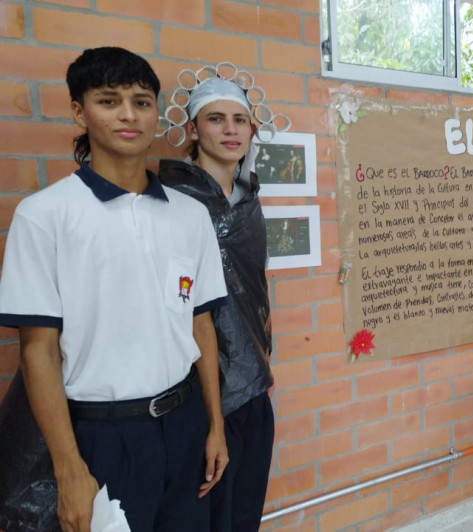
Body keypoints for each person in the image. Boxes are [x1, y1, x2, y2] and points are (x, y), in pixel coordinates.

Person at [0, 47, 229, 531]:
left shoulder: (190, 215)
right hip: (102, 436)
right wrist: (69, 470)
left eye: (142, 102)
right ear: (80, 112)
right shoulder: (45, 217)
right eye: (109, 101)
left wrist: (215, 425)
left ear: (156, 114)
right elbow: (38, 352)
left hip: (185, 421)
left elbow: (201, 324)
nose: (129, 114)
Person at [158, 69, 275, 532]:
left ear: (252, 130)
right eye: (215, 119)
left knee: (244, 513)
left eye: (239, 120)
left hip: (252, 386)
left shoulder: (249, 199)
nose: (230, 130)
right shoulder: (168, 201)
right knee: (204, 517)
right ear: (192, 129)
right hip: (196, 394)